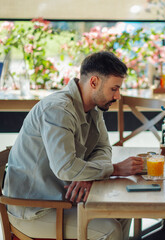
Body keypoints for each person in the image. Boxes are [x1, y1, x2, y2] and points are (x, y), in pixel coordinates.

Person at [3, 51, 144, 239]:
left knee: (123, 212)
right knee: (111, 229)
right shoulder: (57, 110)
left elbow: (103, 148)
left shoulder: (93, 108)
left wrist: (86, 175)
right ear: (94, 82)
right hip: (35, 210)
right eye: (114, 89)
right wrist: (115, 168)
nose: (118, 96)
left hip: (63, 198)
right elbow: (66, 168)